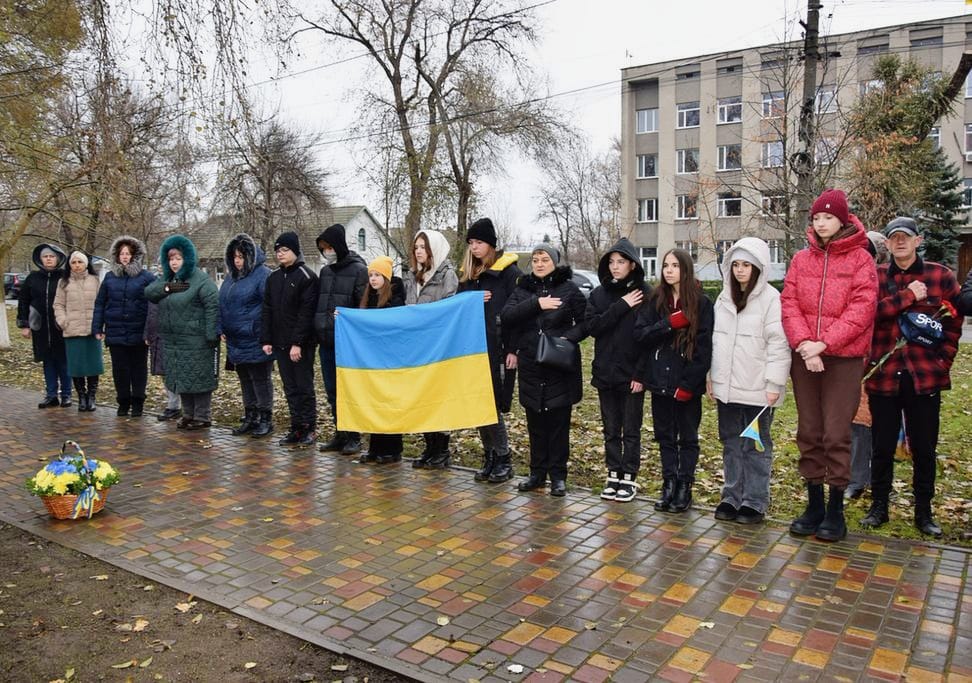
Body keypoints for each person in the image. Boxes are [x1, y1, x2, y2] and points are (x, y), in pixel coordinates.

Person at [781, 189, 877, 542]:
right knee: (809, 431)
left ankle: (836, 509)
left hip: (843, 359)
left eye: (828, 217)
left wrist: (825, 343)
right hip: (805, 356)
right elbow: (789, 303)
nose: (821, 223)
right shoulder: (800, 260)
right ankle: (814, 504)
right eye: (816, 218)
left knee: (836, 433)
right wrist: (806, 345)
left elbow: (862, 309)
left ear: (843, 219)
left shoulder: (861, 260)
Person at [860, 217, 961, 537]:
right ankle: (879, 507)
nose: (899, 242)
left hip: (923, 377)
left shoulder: (940, 275)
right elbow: (865, 315)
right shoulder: (874, 278)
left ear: (918, 241)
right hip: (884, 374)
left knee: (924, 447)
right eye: (893, 238)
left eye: (906, 237)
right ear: (887, 244)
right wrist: (906, 298)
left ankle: (923, 511)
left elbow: (953, 322)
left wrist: (943, 362)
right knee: (882, 446)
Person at [708, 238, 790, 524]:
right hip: (727, 389)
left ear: (759, 268)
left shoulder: (771, 300)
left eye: (746, 265)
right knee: (731, 444)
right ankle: (731, 497)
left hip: (758, 390)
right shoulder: (723, 298)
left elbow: (779, 345)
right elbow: (714, 342)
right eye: (736, 265)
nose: (740, 271)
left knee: (755, 446)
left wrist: (774, 385)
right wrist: (711, 377)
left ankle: (754, 501)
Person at [501, 244, 586, 497]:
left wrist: (565, 339)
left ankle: (558, 476)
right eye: (536, 259)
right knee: (535, 422)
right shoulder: (523, 288)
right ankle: (537, 473)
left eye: (545, 259)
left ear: (555, 262)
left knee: (558, 424)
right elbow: (508, 316)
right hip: (530, 364)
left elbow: (585, 323)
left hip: (558, 365)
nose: (539, 263)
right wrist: (537, 303)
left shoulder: (569, 289)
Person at [634, 248, 714, 513]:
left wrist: (689, 385)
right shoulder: (655, 300)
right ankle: (668, 484)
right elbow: (641, 336)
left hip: (686, 384)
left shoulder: (701, 303)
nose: (668, 270)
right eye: (665, 265)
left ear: (685, 269)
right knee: (665, 436)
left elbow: (704, 350)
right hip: (660, 383)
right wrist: (669, 323)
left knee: (687, 437)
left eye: (674, 266)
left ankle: (684, 487)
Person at [584, 238, 650, 503]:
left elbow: (648, 338)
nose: (615, 267)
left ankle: (629, 478)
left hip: (632, 375)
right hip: (605, 372)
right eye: (611, 262)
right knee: (610, 428)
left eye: (620, 262)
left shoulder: (646, 293)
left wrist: (641, 375)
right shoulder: (599, 294)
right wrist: (622, 305)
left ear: (632, 264)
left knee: (631, 428)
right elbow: (594, 327)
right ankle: (613, 474)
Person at [457, 217, 521, 482]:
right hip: (474, 350)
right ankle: (490, 457)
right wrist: (469, 299)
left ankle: (503, 458)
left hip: (499, 348)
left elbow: (517, 313)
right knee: (479, 404)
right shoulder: (469, 278)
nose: (474, 247)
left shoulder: (510, 274)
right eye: (471, 243)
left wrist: (513, 349)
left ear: (491, 245)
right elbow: (457, 308)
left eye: (479, 242)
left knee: (492, 405)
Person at [144, 235, 220, 430]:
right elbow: (150, 293)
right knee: (181, 377)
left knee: (199, 378)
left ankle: (202, 416)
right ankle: (188, 414)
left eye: (178, 258)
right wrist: (168, 287)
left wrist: (211, 334)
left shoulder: (200, 279)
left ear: (187, 258)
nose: (174, 263)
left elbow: (212, 305)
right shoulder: (169, 279)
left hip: (197, 340)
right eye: (171, 259)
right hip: (173, 341)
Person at [403, 229, 459, 469]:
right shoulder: (412, 276)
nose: (418, 251)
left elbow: (448, 310)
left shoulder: (447, 275)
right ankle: (429, 448)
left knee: (437, 399)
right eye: (416, 247)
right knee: (422, 399)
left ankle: (441, 451)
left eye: (423, 247)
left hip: (438, 347)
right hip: (417, 348)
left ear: (433, 249)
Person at [313, 223, 368, 454]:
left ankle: (354, 436)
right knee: (332, 390)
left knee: (349, 390)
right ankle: (340, 432)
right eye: (323, 248)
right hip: (326, 340)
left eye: (328, 247)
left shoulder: (358, 270)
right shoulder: (325, 272)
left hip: (347, 343)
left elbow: (362, 306)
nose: (326, 252)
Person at [261, 231, 319, 446]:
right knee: (290, 387)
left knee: (304, 386)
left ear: (295, 251)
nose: (280, 254)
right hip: (280, 342)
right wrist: (266, 339)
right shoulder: (274, 278)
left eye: (284, 250)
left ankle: (309, 427)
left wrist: (298, 343)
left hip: (301, 345)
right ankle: (296, 427)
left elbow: (306, 313)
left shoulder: (307, 277)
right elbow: (267, 309)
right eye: (277, 251)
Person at [847, 231, 890, 500]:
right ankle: (856, 478)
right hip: (854, 359)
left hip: (883, 358)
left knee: (879, 423)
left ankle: (878, 478)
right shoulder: (849, 279)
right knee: (857, 422)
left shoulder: (884, 280)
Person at [92, 236, 156, 417]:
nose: (125, 257)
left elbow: (153, 304)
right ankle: (123, 401)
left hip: (138, 333)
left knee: (138, 369)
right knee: (120, 370)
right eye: (122, 254)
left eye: (128, 253)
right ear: (117, 256)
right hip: (116, 332)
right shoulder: (110, 278)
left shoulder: (146, 277)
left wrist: (149, 331)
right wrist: (97, 327)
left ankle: (138, 402)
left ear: (135, 256)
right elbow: (100, 304)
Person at [218, 234, 273, 438]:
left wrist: (265, 335)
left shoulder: (263, 275)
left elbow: (269, 307)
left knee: (260, 379)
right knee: (245, 380)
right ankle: (250, 416)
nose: (237, 261)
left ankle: (265, 418)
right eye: (234, 257)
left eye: (241, 256)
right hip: (236, 339)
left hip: (256, 337)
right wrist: (220, 327)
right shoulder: (230, 277)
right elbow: (221, 304)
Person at [358, 256, 407, 464]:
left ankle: (393, 448)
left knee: (390, 402)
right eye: (370, 275)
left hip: (392, 358)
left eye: (377, 275)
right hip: (373, 359)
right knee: (375, 402)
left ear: (386, 277)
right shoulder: (368, 298)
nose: (373, 279)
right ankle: (375, 447)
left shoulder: (395, 297)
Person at [18, 244, 71, 408]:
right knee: (48, 361)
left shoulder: (64, 277)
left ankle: (67, 395)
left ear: (58, 258)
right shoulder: (33, 278)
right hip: (40, 327)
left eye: (52, 256)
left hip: (61, 326)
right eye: (45, 256)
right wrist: (25, 324)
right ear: (40, 259)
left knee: (63, 361)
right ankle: (51, 395)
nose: (49, 259)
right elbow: (23, 301)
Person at [53, 251, 104, 412]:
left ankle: (91, 396)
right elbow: (58, 304)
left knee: (93, 365)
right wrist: (63, 321)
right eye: (73, 262)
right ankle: (81, 396)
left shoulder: (95, 280)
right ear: (70, 265)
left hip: (92, 330)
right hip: (72, 331)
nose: (77, 265)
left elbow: (103, 303)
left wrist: (101, 324)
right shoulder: (64, 282)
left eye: (80, 262)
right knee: (77, 366)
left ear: (86, 264)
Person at [144, 300, 182, 421]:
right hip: (157, 336)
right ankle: (173, 405)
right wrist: (147, 333)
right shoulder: (157, 287)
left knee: (174, 371)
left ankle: (176, 406)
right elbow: (150, 314)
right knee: (164, 372)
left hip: (173, 337)